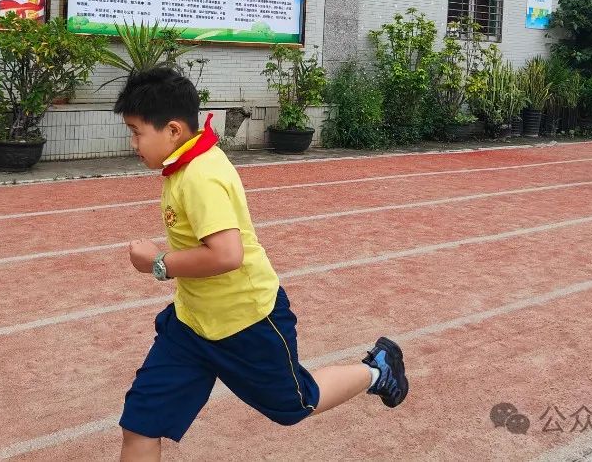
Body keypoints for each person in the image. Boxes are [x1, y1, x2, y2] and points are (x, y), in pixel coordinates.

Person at [113, 67, 408, 461]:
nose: (133, 142)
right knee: (140, 426)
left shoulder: (200, 175)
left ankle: (378, 369)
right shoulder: (184, 165)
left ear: (172, 130)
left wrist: (158, 261)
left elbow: (227, 255)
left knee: (296, 403)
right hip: (192, 325)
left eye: (136, 132)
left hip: (247, 322)